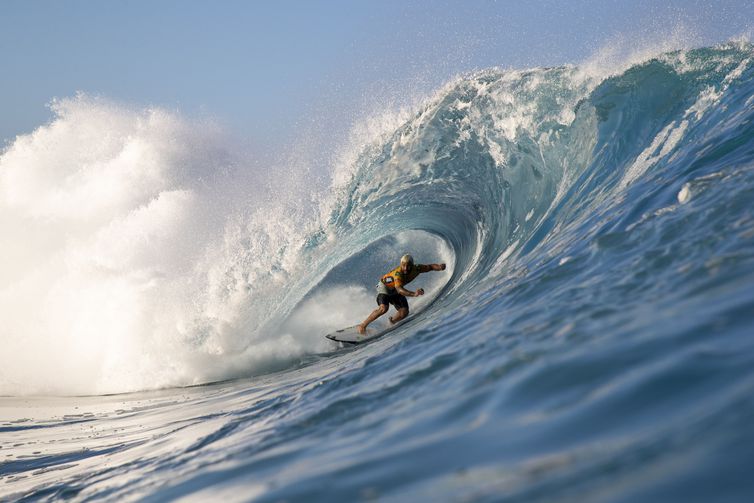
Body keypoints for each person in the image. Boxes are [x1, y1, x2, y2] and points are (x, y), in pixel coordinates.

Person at [358, 254, 446, 334]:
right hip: (384, 287)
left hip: (395, 289)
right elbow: (400, 290)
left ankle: (391, 322)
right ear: (401, 264)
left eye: (408, 266)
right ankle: (363, 325)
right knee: (384, 308)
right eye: (403, 265)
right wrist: (414, 294)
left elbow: (429, 267)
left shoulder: (417, 268)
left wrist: (439, 267)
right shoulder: (398, 274)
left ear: (412, 265)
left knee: (404, 312)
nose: (405, 268)